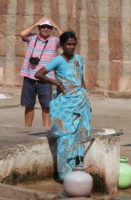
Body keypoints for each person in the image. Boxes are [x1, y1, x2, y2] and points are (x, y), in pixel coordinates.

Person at [35, 31, 91, 181]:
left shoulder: (79, 59)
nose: (72, 47)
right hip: (64, 103)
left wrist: (87, 101)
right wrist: (56, 83)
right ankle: (63, 174)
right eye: (68, 44)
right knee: (65, 136)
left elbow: (81, 79)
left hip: (80, 101)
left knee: (79, 136)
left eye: (74, 44)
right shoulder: (57, 60)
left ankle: (76, 171)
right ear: (62, 45)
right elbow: (39, 74)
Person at [20, 18, 63, 127]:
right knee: (29, 106)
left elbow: (64, 38)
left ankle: (46, 131)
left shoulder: (54, 40)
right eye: (43, 26)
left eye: (48, 27)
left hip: (45, 78)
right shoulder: (32, 38)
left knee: (46, 106)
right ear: (39, 28)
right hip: (29, 76)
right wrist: (36, 23)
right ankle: (27, 130)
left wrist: (56, 26)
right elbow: (22, 34)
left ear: (51, 29)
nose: (45, 29)